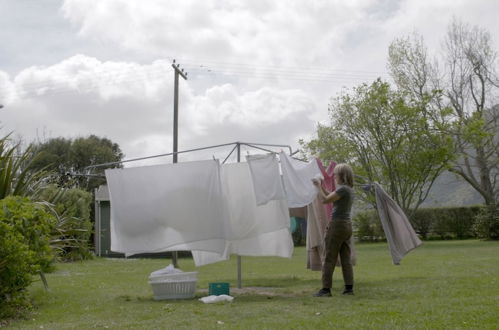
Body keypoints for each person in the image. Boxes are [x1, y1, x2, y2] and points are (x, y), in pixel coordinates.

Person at [312, 163, 355, 297]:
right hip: (347, 226)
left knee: (329, 257)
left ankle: (325, 289)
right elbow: (331, 196)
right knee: (345, 259)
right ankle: (349, 288)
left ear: (341, 175)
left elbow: (325, 200)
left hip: (337, 225)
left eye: (336, 174)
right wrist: (322, 187)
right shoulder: (348, 190)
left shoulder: (342, 190)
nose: (334, 176)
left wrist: (318, 186)